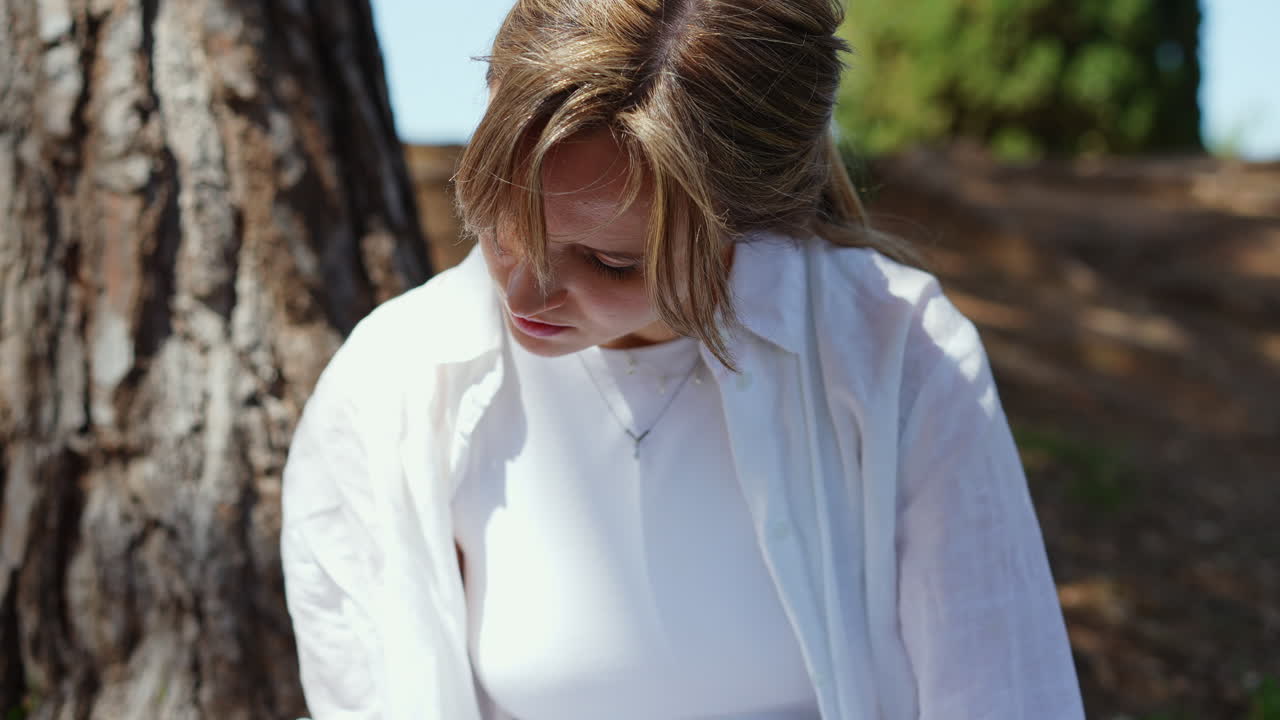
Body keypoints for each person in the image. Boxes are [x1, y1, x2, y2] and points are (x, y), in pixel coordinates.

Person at [280, 0, 1086, 718]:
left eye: (610, 262)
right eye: (498, 223)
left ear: (748, 222)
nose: (527, 292)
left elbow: (1002, 688)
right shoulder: (393, 387)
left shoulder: (895, 354)